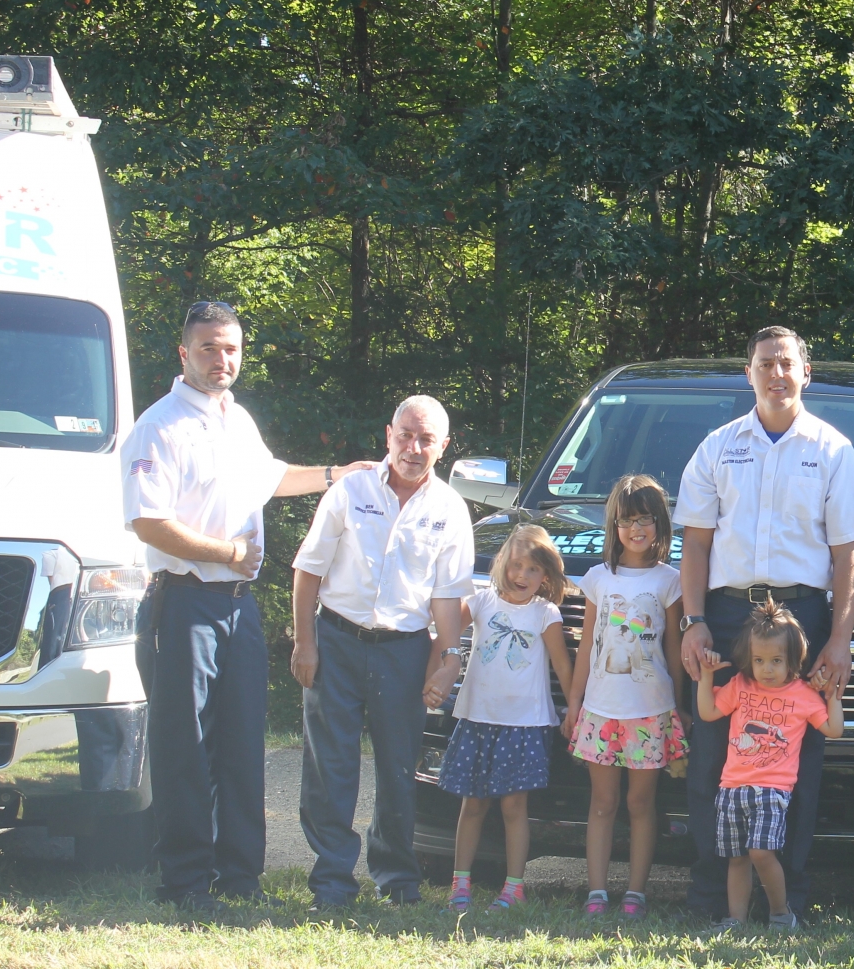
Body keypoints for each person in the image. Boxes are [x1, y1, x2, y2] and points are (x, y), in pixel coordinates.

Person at [122, 299, 373, 911]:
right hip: (182, 606)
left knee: (241, 742)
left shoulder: (237, 420)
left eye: (230, 347)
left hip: (238, 608)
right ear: (183, 354)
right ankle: (184, 880)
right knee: (185, 746)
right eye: (208, 347)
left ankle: (239, 876)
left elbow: (273, 476)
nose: (221, 358)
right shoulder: (160, 427)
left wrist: (339, 473)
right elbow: (148, 523)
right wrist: (228, 551)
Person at [673, 325, 854, 918]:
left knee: (797, 763)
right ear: (749, 374)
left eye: (787, 362)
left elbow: (848, 556)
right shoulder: (717, 446)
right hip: (729, 612)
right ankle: (712, 897)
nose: (776, 373)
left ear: (805, 373)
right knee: (714, 754)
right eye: (765, 363)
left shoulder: (833, 450)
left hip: (804, 617)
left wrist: (839, 639)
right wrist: (693, 620)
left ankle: (786, 901)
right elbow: (695, 545)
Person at [289, 394, 474, 907]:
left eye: (427, 440)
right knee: (332, 765)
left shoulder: (450, 510)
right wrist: (305, 643)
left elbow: (446, 600)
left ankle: (397, 877)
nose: (414, 448)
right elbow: (308, 571)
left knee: (399, 768)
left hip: (404, 652)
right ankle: (331, 880)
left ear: (444, 446)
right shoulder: (350, 490)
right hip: (337, 641)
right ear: (388, 433)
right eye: (406, 435)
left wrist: (448, 660)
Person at [422, 524, 574, 912]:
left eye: (534, 570)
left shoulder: (546, 613)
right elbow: (445, 629)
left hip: (524, 726)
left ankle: (514, 887)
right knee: (472, 804)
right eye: (517, 565)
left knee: (513, 808)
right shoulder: (481, 601)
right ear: (503, 562)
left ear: (546, 576)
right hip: (477, 719)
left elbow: (562, 667)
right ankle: (460, 884)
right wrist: (435, 671)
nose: (522, 576)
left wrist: (575, 708)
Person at [563, 474, 688, 918]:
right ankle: (596, 891)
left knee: (641, 804)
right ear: (613, 526)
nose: (636, 529)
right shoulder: (598, 578)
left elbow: (674, 648)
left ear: (660, 524)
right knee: (603, 803)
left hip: (652, 711)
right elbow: (586, 643)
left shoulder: (671, 581)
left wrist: (680, 706)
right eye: (626, 520)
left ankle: (636, 892)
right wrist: (575, 702)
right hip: (600, 709)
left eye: (645, 520)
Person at [693, 600, 846, 934]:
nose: (767, 669)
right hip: (731, 786)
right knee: (736, 858)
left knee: (761, 852)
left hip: (773, 789)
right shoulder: (740, 686)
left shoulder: (804, 694)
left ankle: (781, 914)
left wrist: (832, 695)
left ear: (793, 659)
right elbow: (708, 713)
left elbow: (833, 729)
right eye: (760, 660)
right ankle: (736, 920)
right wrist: (706, 676)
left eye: (776, 661)